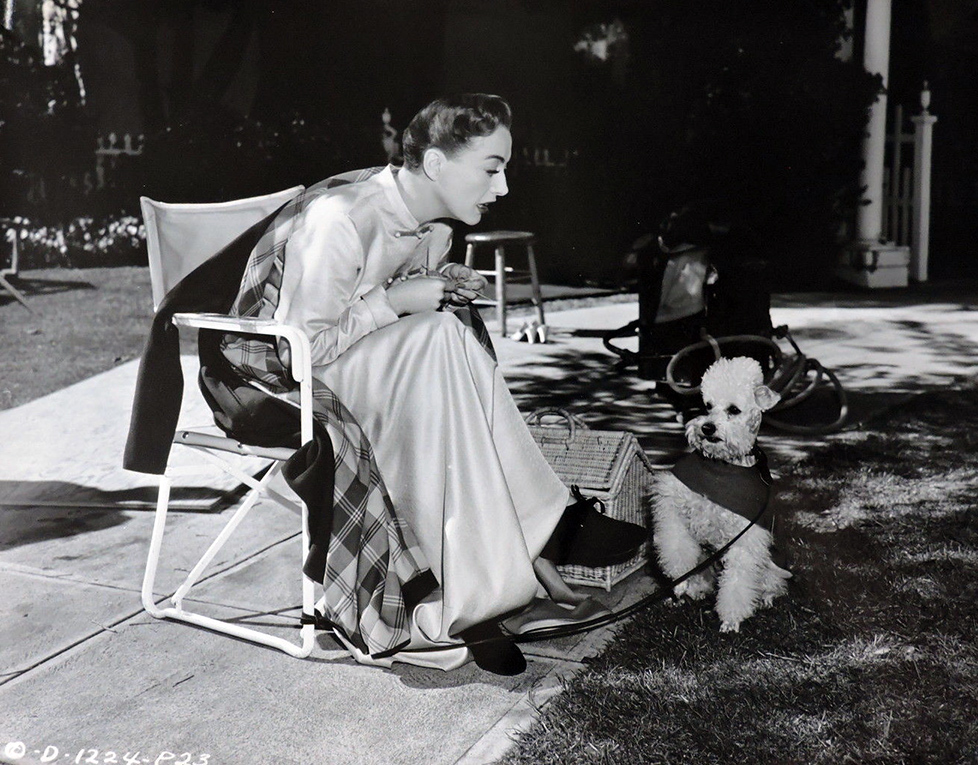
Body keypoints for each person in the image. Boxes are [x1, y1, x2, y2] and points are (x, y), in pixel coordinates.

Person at [219, 94, 644, 674]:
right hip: (276, 377)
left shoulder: (433, 228)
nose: (503, 188)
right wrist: (394, 301)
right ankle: (546, 526)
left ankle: (479, 596)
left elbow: (393, 308)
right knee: (439, 337)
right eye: (492, 168)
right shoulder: (340, 218)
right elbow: (300, 349)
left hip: (367, 368)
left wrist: (439, 282)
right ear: (438, 165)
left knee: (443, 338)